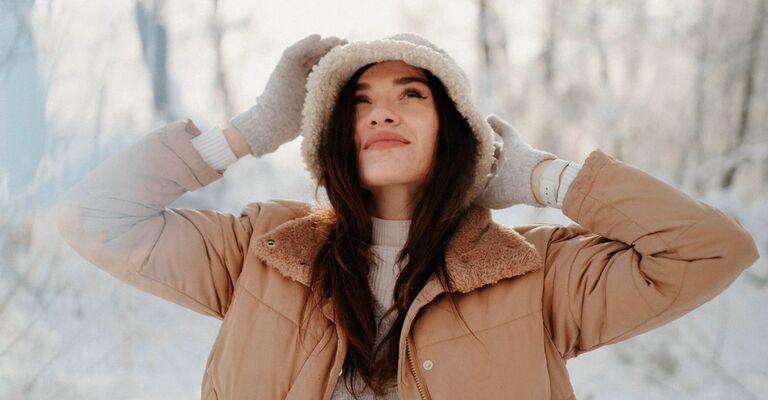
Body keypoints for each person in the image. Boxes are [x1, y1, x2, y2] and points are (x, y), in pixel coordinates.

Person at [55, 33, 760, 400]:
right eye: (359, 101)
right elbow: (94, 216)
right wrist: (248, 131)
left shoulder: (534, 273)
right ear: (336, 134)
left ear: (454, 131)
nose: (382, 112)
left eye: (411, 95)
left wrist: (544, 177)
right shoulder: (261, 251)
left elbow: (710, 249)